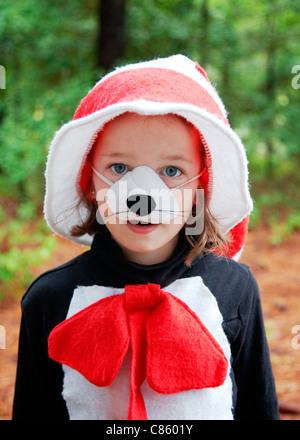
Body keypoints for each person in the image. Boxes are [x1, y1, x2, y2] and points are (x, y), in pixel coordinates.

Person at [12, 55, 279, 420]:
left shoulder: (235, 288)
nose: (143, 195)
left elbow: (258, 408)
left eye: (171, 170)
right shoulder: (49, 300)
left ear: (201, 185)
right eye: (118, 168)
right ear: (89, 181)